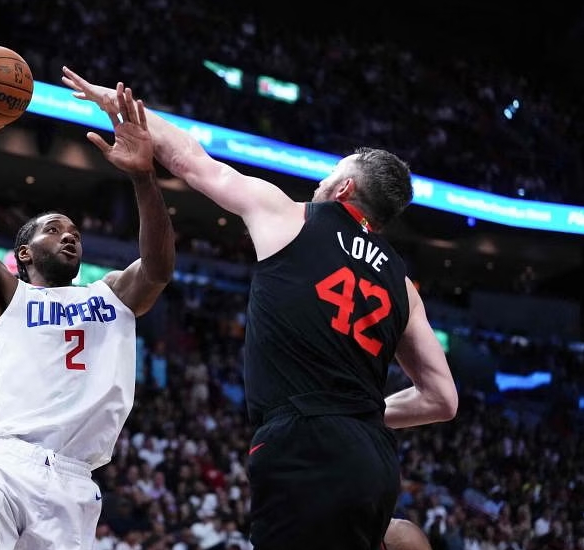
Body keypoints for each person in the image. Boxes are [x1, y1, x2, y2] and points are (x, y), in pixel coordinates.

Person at [62, 67, 458, 550]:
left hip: (304, 442)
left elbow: (192, 161)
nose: (321, 181)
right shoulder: (404, 285)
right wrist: (364, 413)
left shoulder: (291, 217)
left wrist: (116, 104)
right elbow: (443, 400)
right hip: (373, 458)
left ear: (345, 190)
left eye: (330, 174)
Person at [0, 73, 175, 550]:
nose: (69, 235)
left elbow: (159, 267)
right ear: (24, 253)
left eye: (74, 231)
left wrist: (144, 177)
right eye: (54, 229)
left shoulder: (112, 294)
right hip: (2, 461)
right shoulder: (1, 294)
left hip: (73, 483)